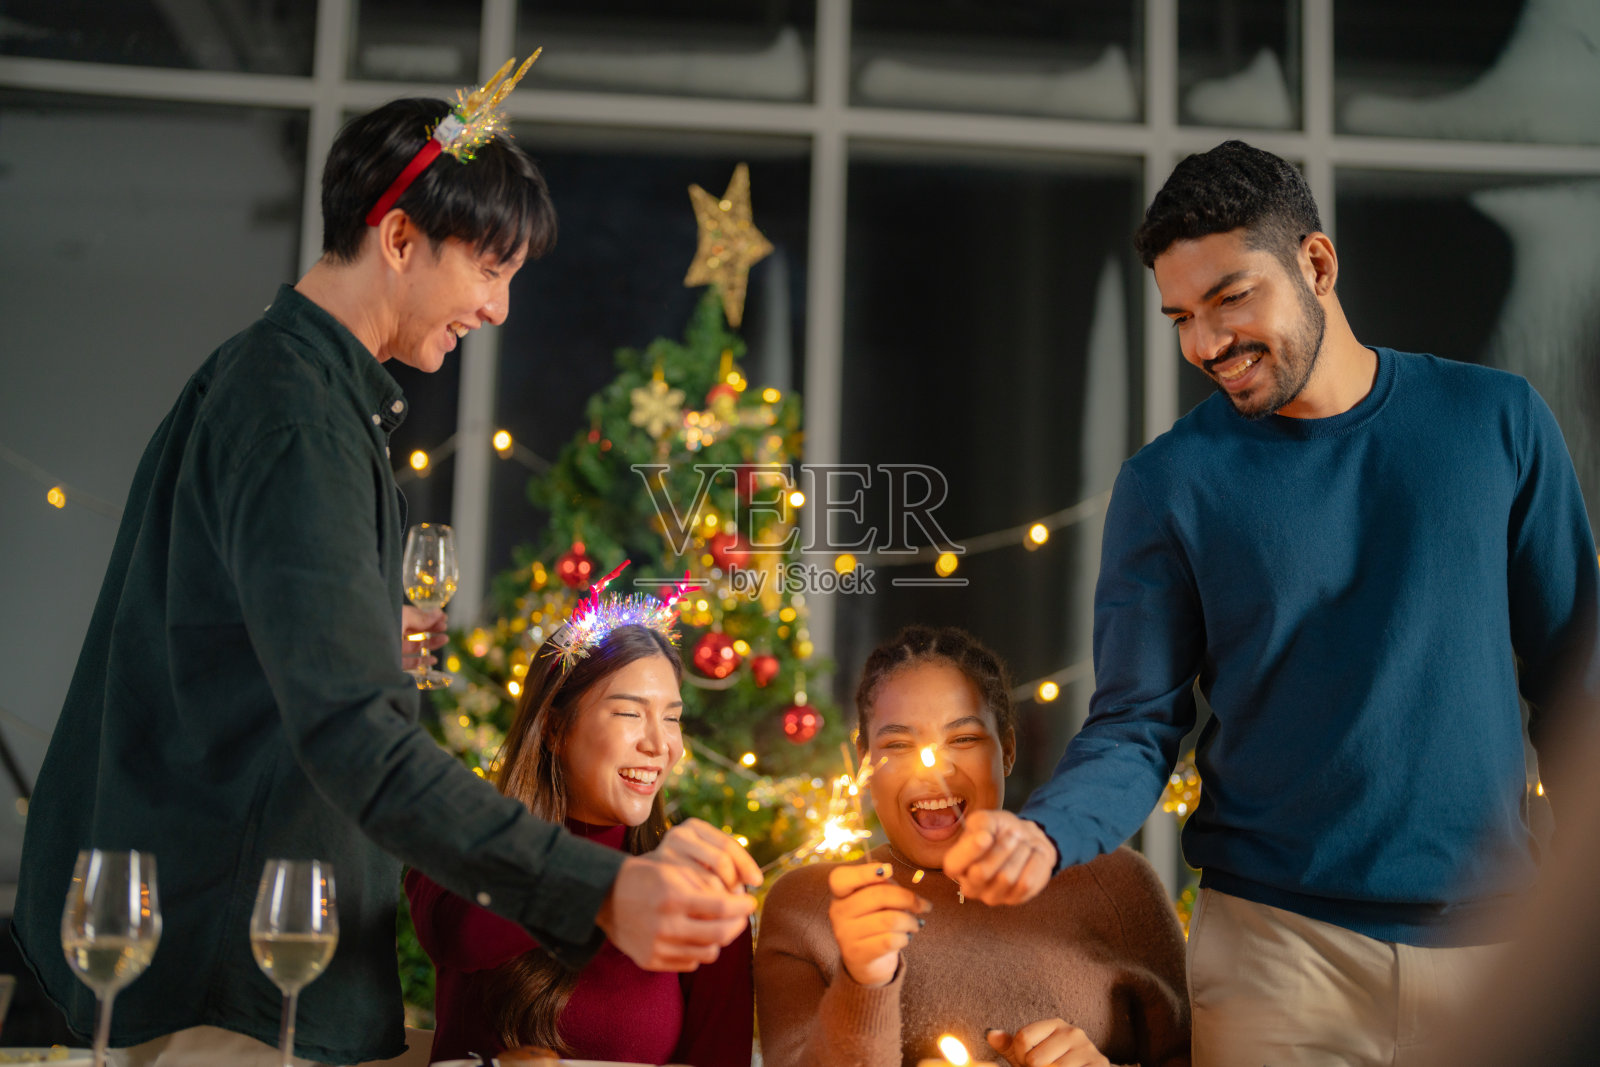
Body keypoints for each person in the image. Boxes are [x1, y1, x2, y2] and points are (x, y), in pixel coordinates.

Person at [12, 83, 758, 1067]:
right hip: (227, 980)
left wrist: (367, 637)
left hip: (234, 967)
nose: (498, 306)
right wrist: (601, 888)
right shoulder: (296, 418)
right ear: (400, 238)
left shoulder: (293, 391)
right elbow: (351, 733)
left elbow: (240, 659)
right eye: (489, 269)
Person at [942, 140, 1600, 1067]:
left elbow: (1578, 679)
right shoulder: (1170, 483)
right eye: (1181, 317)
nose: (1205, 345)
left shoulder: (1498, 422)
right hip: (1277, 957)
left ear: (1317, 264)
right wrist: (1046, 833)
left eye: (1230, 299)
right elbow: (1136, 722)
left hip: (1498, 948)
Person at [755, 626, 1189, 1067]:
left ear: (1007, 750)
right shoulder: (808, 909)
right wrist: (863, 983)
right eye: (899, 744)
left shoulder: (1116, 885)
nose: (933, 770)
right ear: (865, 762)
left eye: (963, 739)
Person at [407, 606, 753, 1066]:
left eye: (672, 718)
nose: (659, 744)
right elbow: (460, 933)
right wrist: (615, 886)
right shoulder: (464, 834)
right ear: (554, 727)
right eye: (630, 712)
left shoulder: (697, 890)